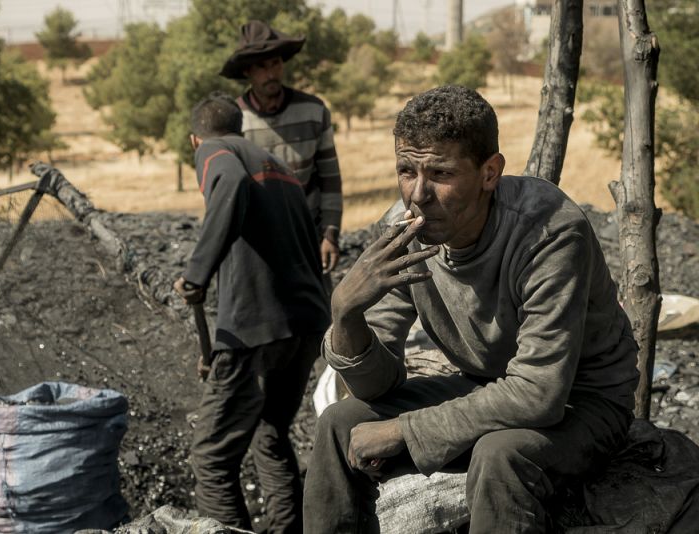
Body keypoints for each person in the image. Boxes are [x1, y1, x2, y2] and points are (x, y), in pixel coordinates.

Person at [302, 85, 640, 533]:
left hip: (584, 401)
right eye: (406, 171)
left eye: (440, 173)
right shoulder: (404, 232)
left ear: (489, 173)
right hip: (487, 385)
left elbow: (540, 393)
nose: (417, 194)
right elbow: (377, 386)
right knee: (338, 423)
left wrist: (405, 430)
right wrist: (346, 314)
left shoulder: (549, 232)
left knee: (500, 455)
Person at [172, 92, 330, 533]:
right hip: (305, 324)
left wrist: (196, 274)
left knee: (211, 457)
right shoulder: (278, 165)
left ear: (195, 139)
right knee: (269, 435)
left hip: (256, 328)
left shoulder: (213, 151)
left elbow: (231, 184)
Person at [220, 20, 343, 282]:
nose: (271, 73)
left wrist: (330, 234)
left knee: (319, 306)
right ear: (247, 71)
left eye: (275, 63)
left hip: (308, 237)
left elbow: (330, 179)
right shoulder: (234, 120)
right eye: (261, 67)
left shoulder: (314, 111)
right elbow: (227, 191)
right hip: (255, 245)